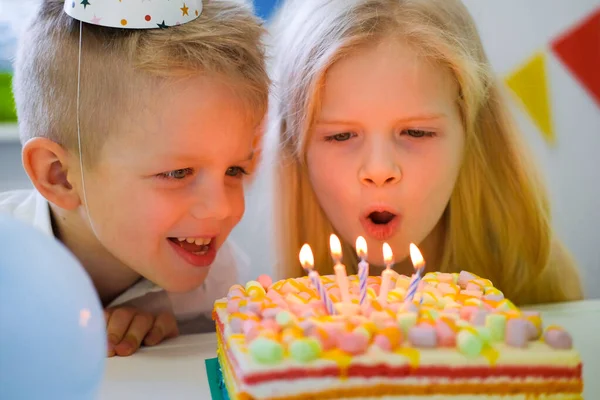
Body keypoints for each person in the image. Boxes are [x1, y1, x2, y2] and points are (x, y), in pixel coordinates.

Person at [266, 0, 583, 305]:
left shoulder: (547, 310)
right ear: (296, 149)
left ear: (473, 135)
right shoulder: (262, 322)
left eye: (416, 132)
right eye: (341, 135)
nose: (379, 169)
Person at [0, 0, 269, 356]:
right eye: (177, 173)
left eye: (235, 170)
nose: (222, 208)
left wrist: (182, 324)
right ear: (59, 176)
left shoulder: (219, 279)